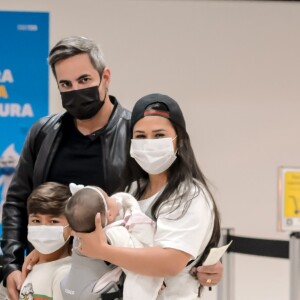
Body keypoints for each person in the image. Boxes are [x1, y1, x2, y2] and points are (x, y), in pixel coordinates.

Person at [0, 36, 223, 300]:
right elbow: (17, 202)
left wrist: (203, 257)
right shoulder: (43, 133)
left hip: (114, 279)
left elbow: (168, 204)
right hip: (48, 269)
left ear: (105, 77)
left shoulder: (137, 133)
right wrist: (10, 265)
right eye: (65, 84)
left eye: (84, 80)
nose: (76, 90)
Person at [76, 93, 221, 299]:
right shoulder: (131, 191)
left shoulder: (189, 194)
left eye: (159, 135)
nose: (149, 142)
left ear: (178, 141)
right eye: (141, 136)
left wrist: (102, 251)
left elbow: (170, 262)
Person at [61, 183, 162, 300]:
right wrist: (154, 281)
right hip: (95, 293)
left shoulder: (80, 234)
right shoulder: (114, 234)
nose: (115, 198)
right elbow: (138, 265)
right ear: (109, 214)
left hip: (72, 288)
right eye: (108, 198)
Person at [19, 182, 72, 300]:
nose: (43, 228)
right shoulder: (31, 266)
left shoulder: (65, 274)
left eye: (53, 221)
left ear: (72, 226)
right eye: (36, 221)